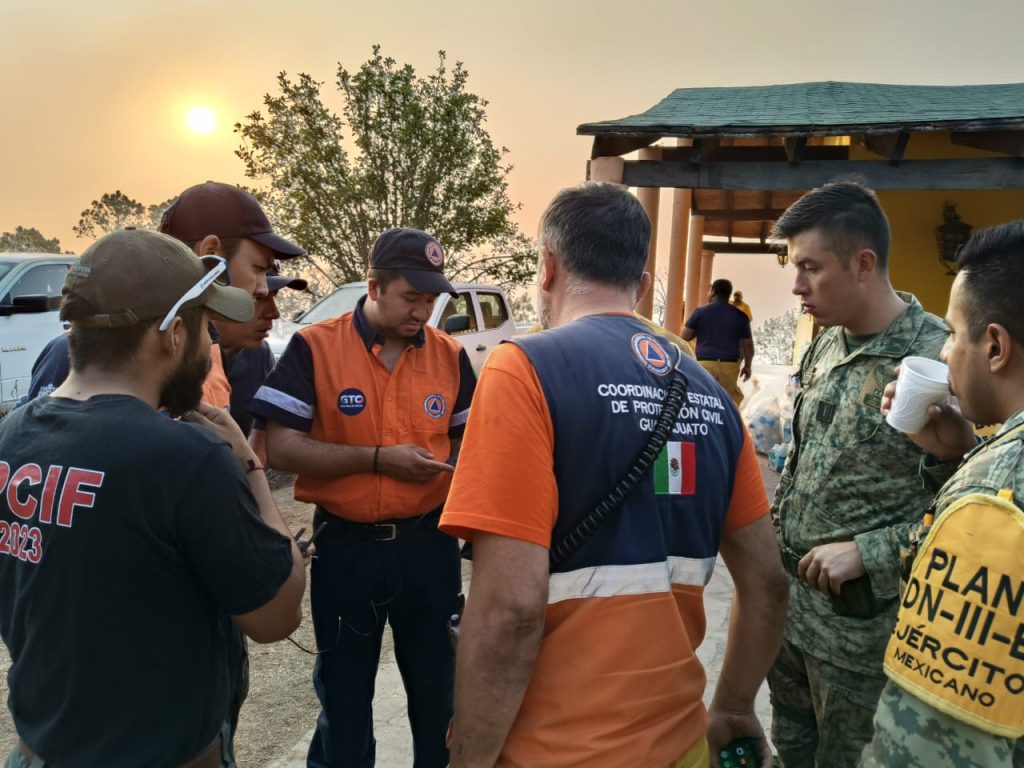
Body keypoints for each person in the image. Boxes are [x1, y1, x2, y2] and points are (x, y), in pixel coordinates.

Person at [439, 182, 788, 768]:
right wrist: (731, 704)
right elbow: (770, 583)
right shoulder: (711, 394)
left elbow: (510, 611)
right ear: (643, 285)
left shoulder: (524, 370)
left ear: (547, 268)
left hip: (556, 750)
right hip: (680, 744)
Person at [0, 229, 306, 768]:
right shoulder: (186, 458)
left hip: (37, 750)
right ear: (170, 334)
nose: (210, 346)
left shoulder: (14, 435)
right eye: (207, 328)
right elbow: (275, 618)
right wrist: (250, 467)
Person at [250, 228, 476, 768]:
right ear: (373, 286)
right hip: (346, 549)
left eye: (431, 300)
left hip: (428, 547)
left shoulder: (450, 356)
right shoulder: (315, 347)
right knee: (345, 698)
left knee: (437, 692)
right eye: (410, 297)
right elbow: (279, 446)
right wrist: (376, 459)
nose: (422, 312)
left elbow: (471, 447)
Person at [767, 181, 949, 767]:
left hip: (862, 637)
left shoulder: (940, 361)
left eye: (810, 268)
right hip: (791, 624)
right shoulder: (824, 346)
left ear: (863, 263)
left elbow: (975, 512)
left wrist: (870, 551)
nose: (797, 286)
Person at [860, 221, 1024, 767]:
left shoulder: (997, 495)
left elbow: (934, 739)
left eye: (953, 334)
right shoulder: (993, 461)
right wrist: (960, 456)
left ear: (995, 346)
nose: (947, 351)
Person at [681, 278, 754, 407]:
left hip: (704, 365)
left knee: (702, 400)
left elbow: (684, 337)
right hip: (729, 367)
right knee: (728, 403)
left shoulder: (700, 312)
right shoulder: (741, 316)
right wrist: (748, 365)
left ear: (713, 292)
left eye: (709, 291)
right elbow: (748, 345)